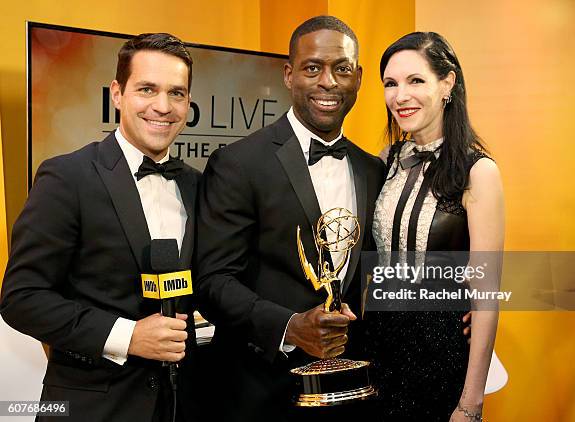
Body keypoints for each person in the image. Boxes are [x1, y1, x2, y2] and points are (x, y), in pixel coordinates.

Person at [0, 33, 201, 422]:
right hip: (90, 408)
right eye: (147, 89)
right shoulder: (67, 176)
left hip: (180, 405)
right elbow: (21, 298)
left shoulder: (197, 184)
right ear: (117, 94)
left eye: (177, 93)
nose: (163, 106)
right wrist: (128, 336)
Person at [194, 16, 386, 422]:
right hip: (262, 392)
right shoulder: (239, 164)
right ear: (289, 74)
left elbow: (382, 269)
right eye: (312, 67)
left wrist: (460, 301)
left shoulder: (373, 170)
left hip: (353, 391)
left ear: (359, 78)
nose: (328, 82)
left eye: (342, 69)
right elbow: (212, 282)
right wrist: (289, 325)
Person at [366, 32, 504, 421]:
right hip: (377, 348)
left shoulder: (479, 172)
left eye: (416, 81)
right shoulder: (386, 160)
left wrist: (470, 404)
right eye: (390, 84)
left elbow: (486, 296)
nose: (400, 95)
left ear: (447, 84)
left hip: (440, 352)